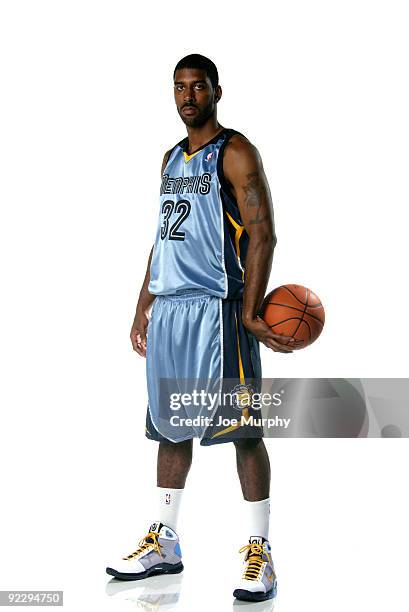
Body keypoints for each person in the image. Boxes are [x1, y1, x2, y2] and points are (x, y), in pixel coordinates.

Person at [106, 53, 297, 602]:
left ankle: (259, 551)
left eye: (197, 87)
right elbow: (164, 234)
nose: (187, 96)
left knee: (243, 429)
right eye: (179, 87)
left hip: (219, 307)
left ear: (216, 92)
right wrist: (144, 301)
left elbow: (263, 234)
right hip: (171, 312)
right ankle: (164, 542)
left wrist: (251, 309)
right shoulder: (169, 158)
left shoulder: (235, 152)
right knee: (169, 426)